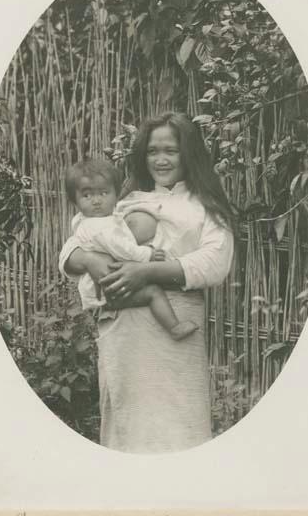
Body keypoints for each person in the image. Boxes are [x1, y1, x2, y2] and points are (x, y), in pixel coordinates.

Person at [59, 112, 234, 454]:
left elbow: (215, 262)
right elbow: (71, 250)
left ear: (189, 153)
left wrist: (147, 271)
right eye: (153, 151)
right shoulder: (125, 202)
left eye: (171, 150)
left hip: (174, 321)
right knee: (128, 425)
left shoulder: (205, 207)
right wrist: (91, 260)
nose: (161, 159)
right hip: (122, 322)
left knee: (179, 425)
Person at [63, 158, 199, 340]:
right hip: (109, 288)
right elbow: (122, 250)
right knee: (153, 293)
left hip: (107, 285)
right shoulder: (99, 226)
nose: (96, 201)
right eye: (87, 196)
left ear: (116, 194)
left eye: (104, 193)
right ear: (75, 201)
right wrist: (148, 254)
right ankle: (174, 327)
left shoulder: (86, 220)